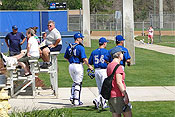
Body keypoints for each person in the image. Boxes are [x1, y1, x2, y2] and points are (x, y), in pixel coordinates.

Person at [64, 32, 93, 106]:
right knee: (78, 83)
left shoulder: (69, 46)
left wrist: (71, 61)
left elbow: (66, 57)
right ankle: (76, 100)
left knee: (75, 82)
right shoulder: (80, 47)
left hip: (71, 65)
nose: (82, 39)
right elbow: (84, 58)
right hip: (78, 66)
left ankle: (72, 97)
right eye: (81, 38)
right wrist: (89, 65)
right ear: (77, 39)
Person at [107, 47, 132, 117]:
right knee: (128, 114)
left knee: (116, 115)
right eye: (122, 53)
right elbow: (119, 82)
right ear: (118, 55)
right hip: (119, 95)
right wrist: (125, 94)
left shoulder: (109, 65)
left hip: (111, 95)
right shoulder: (118, 67)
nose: (123, 55)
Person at [88, 37, 110, 109]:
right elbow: (109, 61)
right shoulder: (107, 52)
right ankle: (97, 100)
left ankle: (102, 103)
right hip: (104, 70)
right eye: (106, 42)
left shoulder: (94, 52)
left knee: (100, 88)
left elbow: (90, 62)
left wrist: (90, 68)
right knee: (105, 88)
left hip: (96, 70)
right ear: (104, 43)